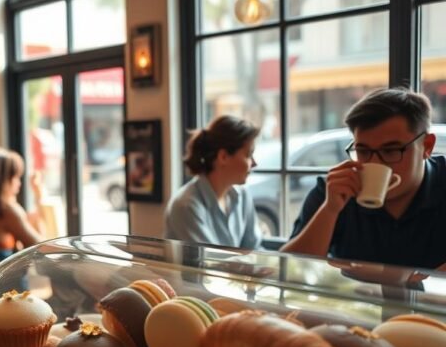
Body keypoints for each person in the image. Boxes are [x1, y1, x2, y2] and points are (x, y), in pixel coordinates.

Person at [282, 88, 446, 269]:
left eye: (391, 150)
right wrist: (330, 210)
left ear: (427, 146)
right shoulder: (336, 188)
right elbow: (289, 270)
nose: (374, 162)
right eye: (363, 151)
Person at [165, 116, 262, 249]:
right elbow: (211, 263)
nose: (255, 163)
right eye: (248, 155)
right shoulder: (186, 206)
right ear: (223, 157)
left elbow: (254, 250)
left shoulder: (243, 196)